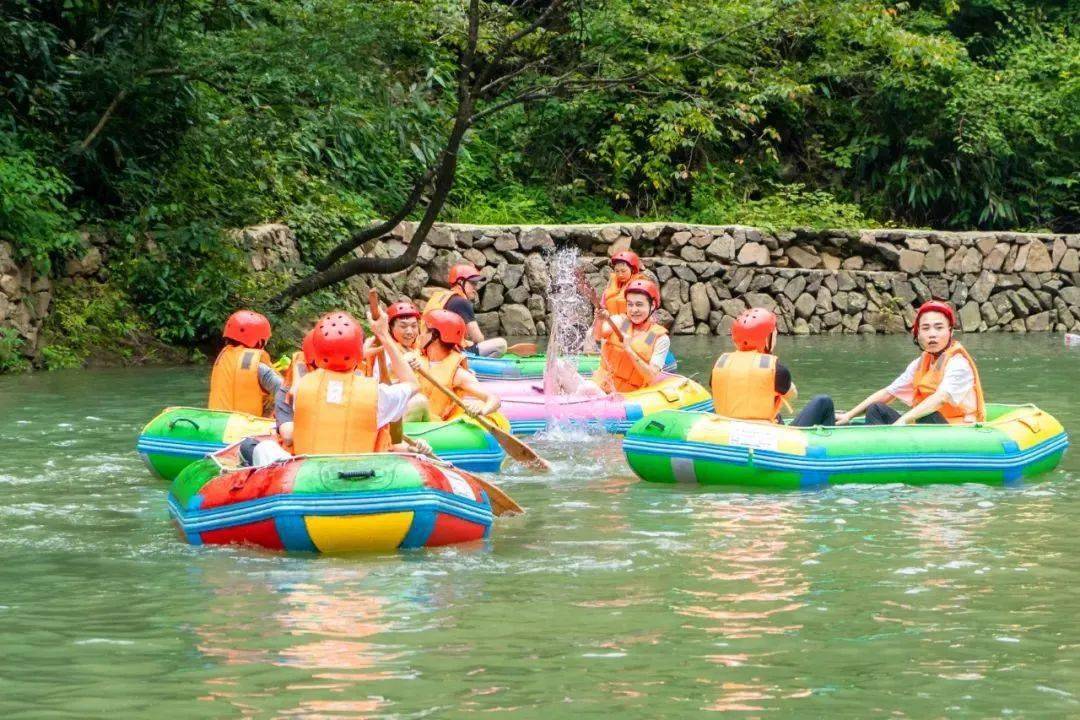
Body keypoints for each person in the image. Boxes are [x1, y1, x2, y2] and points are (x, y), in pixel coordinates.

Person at [274, 310, 421, 455]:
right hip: (359, 474)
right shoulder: (377, 394)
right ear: (358, 353)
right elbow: (413, 384)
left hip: (309, 473)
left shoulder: (300, 388)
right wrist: (384, 335)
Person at [838, 300, 984, 426]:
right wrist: (849, 415)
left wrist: (904, 420)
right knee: (876, 408)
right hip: (927, 425)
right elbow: (889, 393)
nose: (932, 334)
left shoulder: (958, 363)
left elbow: (940, 398)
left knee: (926, 415)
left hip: (958, 430)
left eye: (939, 328)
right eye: (926, 328)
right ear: (918, 334)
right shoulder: (920, 363)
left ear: (950, 332)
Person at [710, 308, 835, 426]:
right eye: (773, 333)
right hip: (768, 437)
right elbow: (792, 394)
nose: (775, 335)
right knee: (824, 401)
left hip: (726, 432)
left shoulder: (721, 364)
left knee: (775, 411)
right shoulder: (775, 369)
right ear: (766, 339)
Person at [405, 309, 502, 422]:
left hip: (429, 423)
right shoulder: (413, 357)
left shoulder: (458, 373)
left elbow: (494, 399)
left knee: (418, 402)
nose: (419, 335)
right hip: (405, 416)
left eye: (424, 331)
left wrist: (482, 410)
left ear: (434, 336)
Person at [577, 278, 669, 394]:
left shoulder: (657, 337)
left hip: (623, 396)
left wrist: (629, 349)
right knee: (560, 368)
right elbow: (597, 335)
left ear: (652, 305)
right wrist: (599, 320)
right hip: (599, 385)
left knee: (587, 388)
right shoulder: (622, 322)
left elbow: (652, 377)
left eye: (639, 305)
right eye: (630, 305)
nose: (634, 310)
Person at [208, 310, 283, 417]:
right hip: (247, 428)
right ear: (259, 341)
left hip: (219, 425)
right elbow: (284, 391)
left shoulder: (222, 359)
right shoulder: (259, 368)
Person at [424, 263, 507, 358]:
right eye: (473, 284)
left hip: (429, 349)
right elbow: (478, 339)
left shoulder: (441, 297)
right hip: (449, 353)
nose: (475, 288)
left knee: (469, 343)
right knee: (501, 344)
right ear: (460, 282)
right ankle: (477, 366)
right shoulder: (461, 302)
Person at [363, 300, 421, 382]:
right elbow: (379, 383)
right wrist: (397, 367)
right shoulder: (383, 350)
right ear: (390, 328)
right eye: (403, 326)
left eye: (414, 326)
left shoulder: (422, 347)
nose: (409, 332)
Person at [601, 250, 645, 316]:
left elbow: (642, 311)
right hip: (611, 320)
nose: (620, 274)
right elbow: (603, 303)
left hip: (630, 321)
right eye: (617, 271)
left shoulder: (639, 284)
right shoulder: (612, 281)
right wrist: (603, 311)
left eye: (623, 271)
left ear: (632, 270)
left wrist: (625, 322)